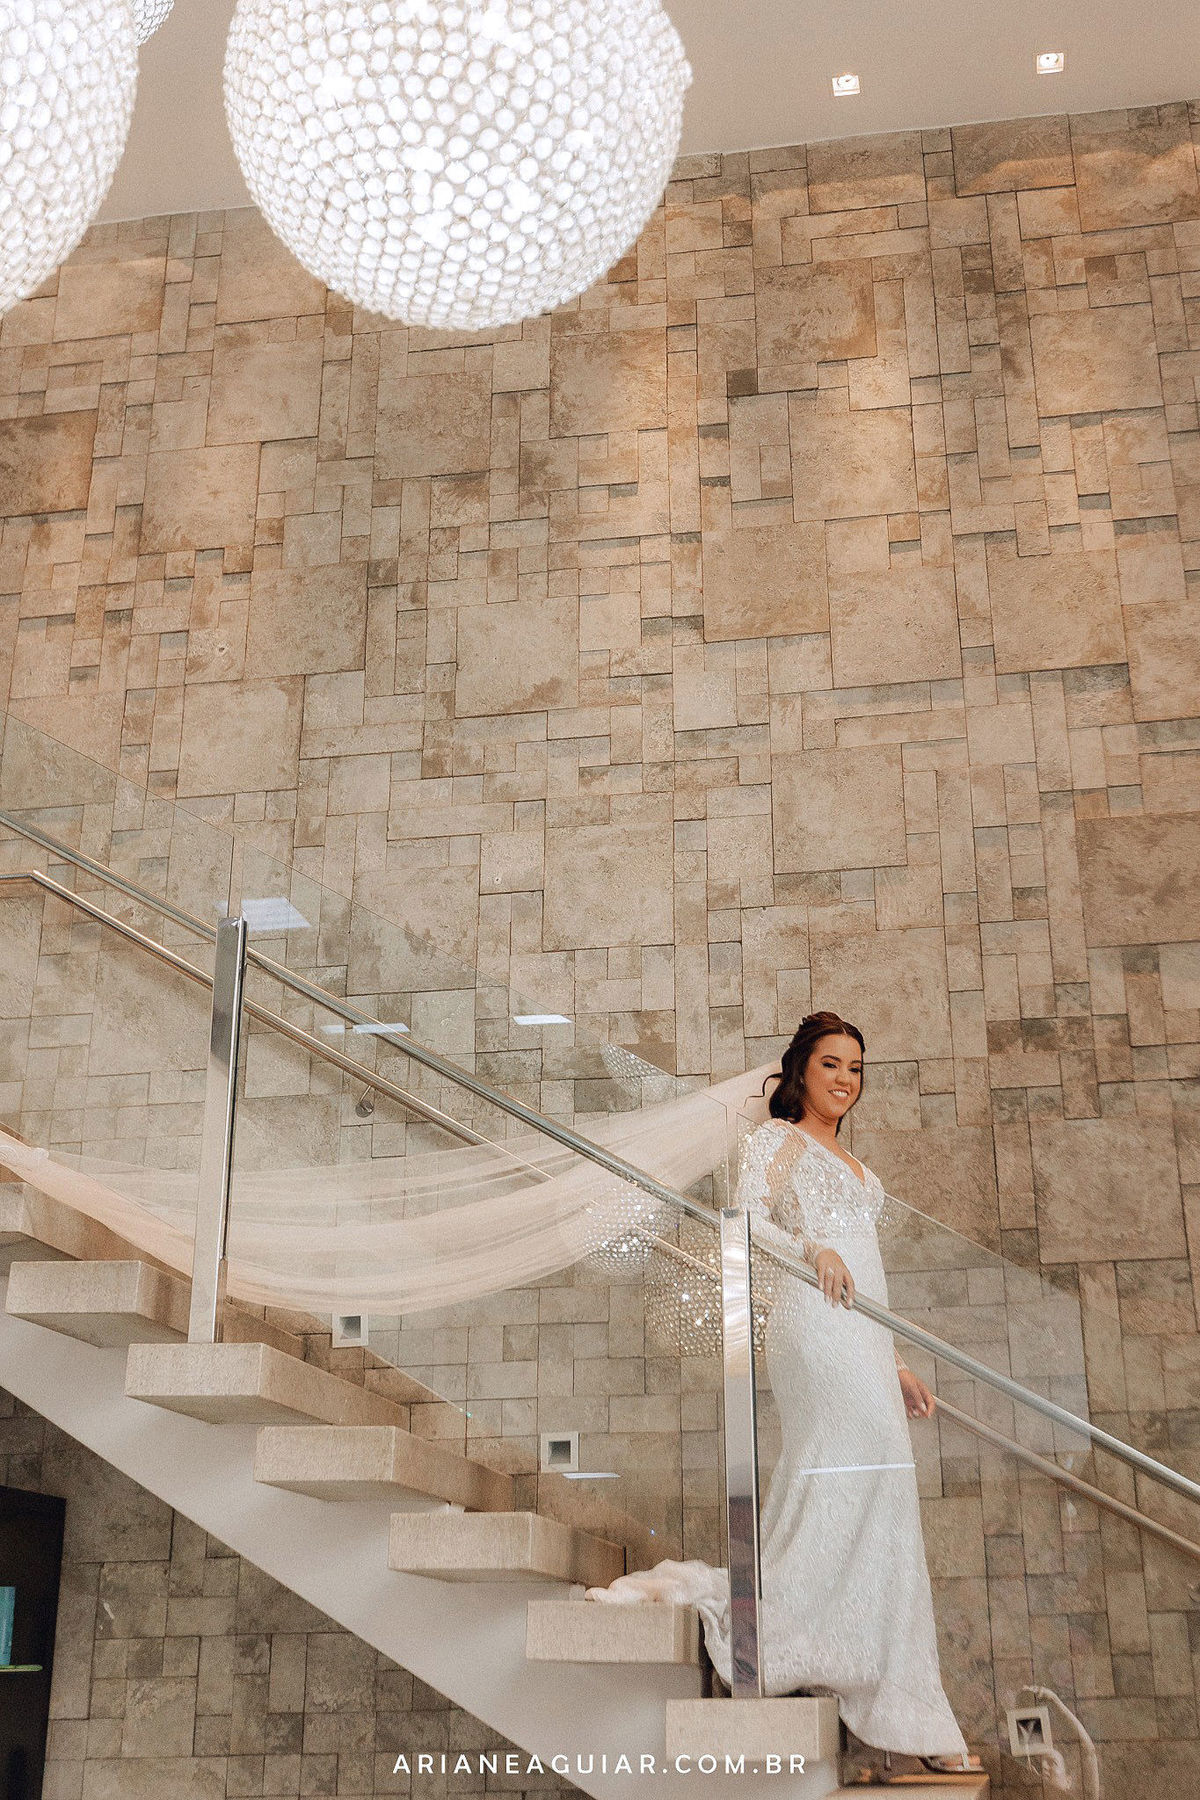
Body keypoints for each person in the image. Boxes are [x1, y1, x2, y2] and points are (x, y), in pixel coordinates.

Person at [710, 1009, 971, 1771]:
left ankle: (900, 1701)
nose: (844, 1080)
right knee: (835, 1466)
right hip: (809, 1324)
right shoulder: (776, 1141)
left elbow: (871, 1278)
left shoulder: (862, 1171)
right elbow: (745, 1223)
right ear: (800, 1070)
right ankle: (778, 1638)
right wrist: (811, 1246)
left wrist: (895, 1361)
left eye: (855, 1068)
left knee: (884, 1486)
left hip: (861, 1335)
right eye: (831, 1064)